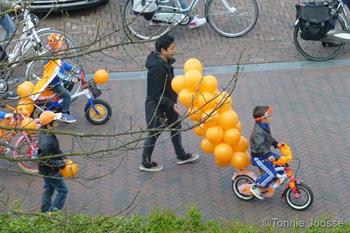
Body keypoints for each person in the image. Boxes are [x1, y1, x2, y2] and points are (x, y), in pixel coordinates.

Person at [140, 34, 200, 172]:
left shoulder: (164, 63)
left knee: (175, 127)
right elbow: (155, 94)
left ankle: (181, 155)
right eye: (172, 48)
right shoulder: (157, 68)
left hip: (168, 103)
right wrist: (171, 104)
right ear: (163, 50)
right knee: (154, 133)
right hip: (157, 107)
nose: (174, 51)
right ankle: (145, 162)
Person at [45, 33, 80, 123]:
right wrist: (70, 78)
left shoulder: (58, 58)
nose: (63, 51)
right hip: (54, 84)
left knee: (69, 85)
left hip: (57, 81)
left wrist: (75, 69)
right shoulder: (54, 61)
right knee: (67, 95)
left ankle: (60, 100)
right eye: (61, 49)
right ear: (55, 49)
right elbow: (59, 74)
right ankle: (64, 113)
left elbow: (65, 65)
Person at [37, 111, 68, 213]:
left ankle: (45, 210)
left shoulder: (47, 132)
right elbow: (43, 160)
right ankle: (53, 213)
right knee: (63, 191)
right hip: (51, 171)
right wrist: (60, 164)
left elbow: (54, 150)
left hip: (46, 171)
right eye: (55, 123)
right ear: (49, 125)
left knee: (48, 189)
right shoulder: (46, 141)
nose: (57, 124)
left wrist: (62, 156)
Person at [249, 106, 282, 200]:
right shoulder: (258, 131)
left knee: (281, 160)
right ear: (263, 118)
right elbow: (260, 146)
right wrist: (269, 155)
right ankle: (255, 187)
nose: (270, 117)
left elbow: (268, 137)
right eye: (269, 116)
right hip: (259, 157)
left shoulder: (264, 125)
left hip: (264, 154)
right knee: (272, 174)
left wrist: (277, 144)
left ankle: (269, 179)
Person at [0, 1, 21, 100]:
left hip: (1, 10)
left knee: (11, 30)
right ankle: (3, 91)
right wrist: (13, 5)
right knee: (2, 57)